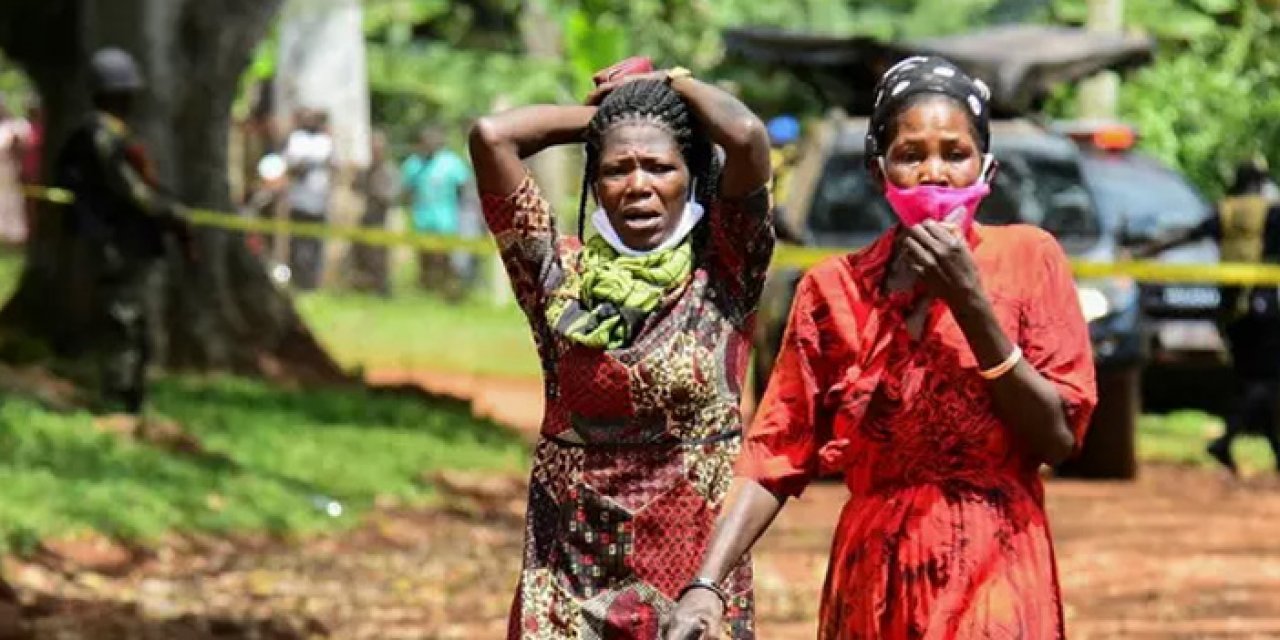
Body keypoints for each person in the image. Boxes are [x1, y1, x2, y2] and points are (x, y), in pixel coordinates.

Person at [666, 56, 1097, 640]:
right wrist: (706, 585)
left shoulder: (1029, 259)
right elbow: (774, 454)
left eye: (955, 153)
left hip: (997, 563)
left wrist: (971, 304)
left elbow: (1057, 437)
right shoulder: (833, 290)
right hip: (875, 579)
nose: (935, 172)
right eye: (911, 154)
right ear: (879, 172)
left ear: (985, 168)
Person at [469, 60, 773, 639]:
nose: (639, 184)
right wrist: (611, 116)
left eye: (659, 166)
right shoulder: (557, 279)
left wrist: (671, 87)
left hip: (694, 588)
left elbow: (747, 137)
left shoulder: (726, 274)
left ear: (691, 175)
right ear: (596, 183)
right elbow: (491, 136)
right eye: (617, 169)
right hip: (565, 585)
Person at [54, 47, 193, 415]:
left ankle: (131, 395)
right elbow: (130, 191)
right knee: (123, 322)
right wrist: (170, 213)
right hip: (116, 244)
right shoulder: (99, 137)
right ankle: (118, 397)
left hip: (130, 244)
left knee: (136, 323)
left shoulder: (110, 134)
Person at [1135, 157, 1280, 473]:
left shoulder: (1225, 210)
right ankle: (1226, 440)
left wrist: (1144, 253)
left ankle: (1265, 449)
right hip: (1267, 307)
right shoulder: (1272, 212)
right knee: (1267, 381)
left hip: (1231, 310)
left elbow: (1188, 235)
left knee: (1251, 379)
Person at [401, 125, 470, 298]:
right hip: (421, 219)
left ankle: (444, 291)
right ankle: (426, 292)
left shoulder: (451, 162)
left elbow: (462, 187)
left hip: (445, 220)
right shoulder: (413, 164)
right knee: (424, 258)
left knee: (444, 258)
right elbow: (406, 191)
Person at [282, 107, 334, 290]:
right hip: (300, 202)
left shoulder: (325, 141)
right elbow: (291, 166)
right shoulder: (297, 140)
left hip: (319, 202)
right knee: (298, 245)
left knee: (316, 245)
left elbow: (332, 164)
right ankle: (298, 281)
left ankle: (313, 283)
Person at [350, 130, 398, 296]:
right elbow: (355, 187)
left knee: (379, 257)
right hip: (367, 218)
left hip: (382, 219)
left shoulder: (388, 170)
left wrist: (375, 192)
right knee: (364, 255)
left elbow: (388, 196)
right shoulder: (366, 170)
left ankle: (383, 290)